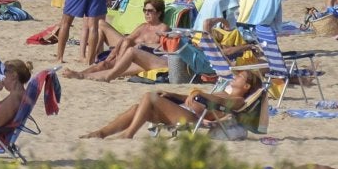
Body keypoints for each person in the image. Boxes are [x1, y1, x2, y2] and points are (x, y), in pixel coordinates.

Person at [84, 70, 264, 139]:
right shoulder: (225, 91)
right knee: (137, 108)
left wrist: (200, 94)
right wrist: (173, 95)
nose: (235, 76)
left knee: (149, 96)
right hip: (183, 110)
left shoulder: (238, 100)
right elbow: (194, 99)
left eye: (240, 76)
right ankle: (102, 133)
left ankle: (128, 134)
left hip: (192, 118)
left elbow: (220, 102)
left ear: (246, 86)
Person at [67, 2, 171, 82]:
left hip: (142, 58)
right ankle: (80, 73)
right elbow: (127, 39)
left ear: (159, 13)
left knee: (111, 67)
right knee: (105, 63)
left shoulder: (163, 29)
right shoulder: (143, 26)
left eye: (150, 10)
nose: (146, 13)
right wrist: (114, 52)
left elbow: (165, 47)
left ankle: (82, 75)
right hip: (126, 54)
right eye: (144, 10)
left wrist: (144, 44)